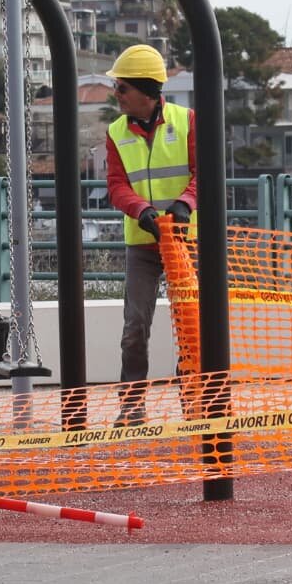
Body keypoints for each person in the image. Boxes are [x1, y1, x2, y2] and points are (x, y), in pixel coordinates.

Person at [103, 44, 197, 427]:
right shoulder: (115, 132)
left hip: (185, 241)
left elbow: (204, 173)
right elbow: (115, 185)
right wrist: (141, 211)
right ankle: (132, 407)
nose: (117, 94)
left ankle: (195, 404)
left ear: (146, 91)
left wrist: (185, 204)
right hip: (142, 242)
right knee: (135, 327)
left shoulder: (187, 121)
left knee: (192, 328)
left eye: (122, 87)